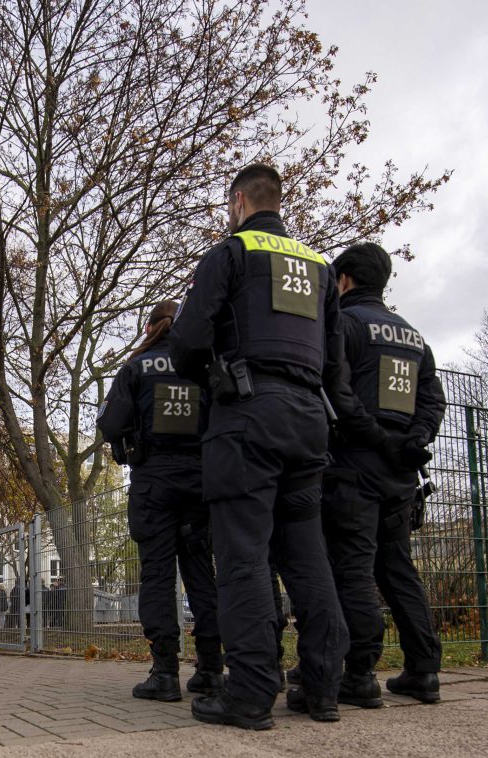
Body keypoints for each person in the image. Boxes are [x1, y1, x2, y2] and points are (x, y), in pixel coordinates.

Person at [170, 163, 395, 729]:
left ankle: (249, 692)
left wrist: (214, 380)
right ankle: (321, 687)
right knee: (307, 555)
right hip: (307, 421)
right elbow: (335, 366)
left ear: (239, 200)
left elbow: (189, 340)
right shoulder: (320, 267)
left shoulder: (232, 253)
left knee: (242, 556)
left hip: (247, 415)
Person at [320, 242, 446, 705]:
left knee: (351, 566)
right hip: (401, 472)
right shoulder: (414, 336)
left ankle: (360, 673)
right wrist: (416, 439)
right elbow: (433, 397)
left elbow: (337, 390)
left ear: (345, 280)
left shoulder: (346, 325)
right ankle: (424, 670)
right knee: (396, 568)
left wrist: (377, 438)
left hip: (355, 463)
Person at [97, 300, 223, 702]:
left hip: (154, 482)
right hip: (201, 482)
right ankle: (211, 670)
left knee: (156, 576)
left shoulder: (137, 368)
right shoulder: (204, 367)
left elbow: (111, 423)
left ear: (151, 327)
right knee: (203, 575)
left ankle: (165, 673)